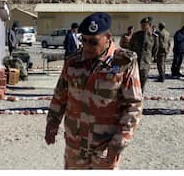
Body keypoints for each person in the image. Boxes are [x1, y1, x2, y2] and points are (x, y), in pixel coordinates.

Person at [45, 12, 142, 169]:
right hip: (75, 143)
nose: (87, 46)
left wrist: (122, 138)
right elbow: (60, 95)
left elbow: (133, 104)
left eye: (93, 41)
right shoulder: (73, 61)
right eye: (84, 40)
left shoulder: (124, 62)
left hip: (105, 145)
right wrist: (52, 123)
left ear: (107, 37)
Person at [128, 16, 158, 92]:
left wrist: (151, 57)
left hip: (146, 62)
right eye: (142, 25)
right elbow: (130, 46)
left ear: (149, 26)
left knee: (143, 78)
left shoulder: (154, 37)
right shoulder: (136, 35)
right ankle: (134, 93)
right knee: (134, 78)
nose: (143, 27)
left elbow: (155, 49)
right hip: (136, 61)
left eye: (145, 25)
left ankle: (140, 93)